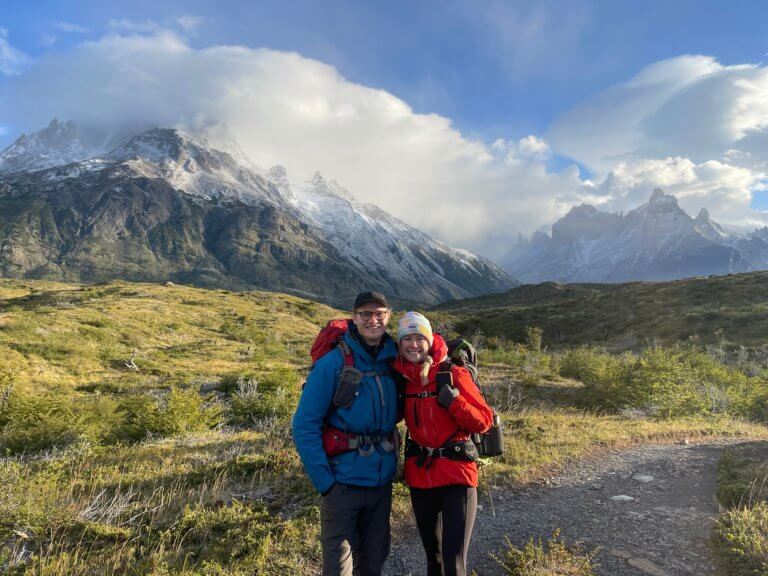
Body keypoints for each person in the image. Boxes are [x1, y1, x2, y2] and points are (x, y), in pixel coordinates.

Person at [292, 291, 399, 576]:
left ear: (389, 316)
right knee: (338, 569)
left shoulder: (394, 361)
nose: (372, 320)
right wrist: (325, 483)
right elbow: (304, 425)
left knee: (373, 563)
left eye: (379, 314)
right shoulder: (334, 363)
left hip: (380, 484)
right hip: (342, 484)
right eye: (365, 314)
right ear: (354, 318)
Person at [393, 312, 493, 576]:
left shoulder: (452, 372)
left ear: (429, 340)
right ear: (400, 344)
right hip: (421, 476)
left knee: (454, 562)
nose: (413, 345)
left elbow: (484, 421)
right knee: (433, 559)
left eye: (419, 338)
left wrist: (454, 403)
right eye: (407, 339)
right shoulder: (403, 379)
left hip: (457, 474)